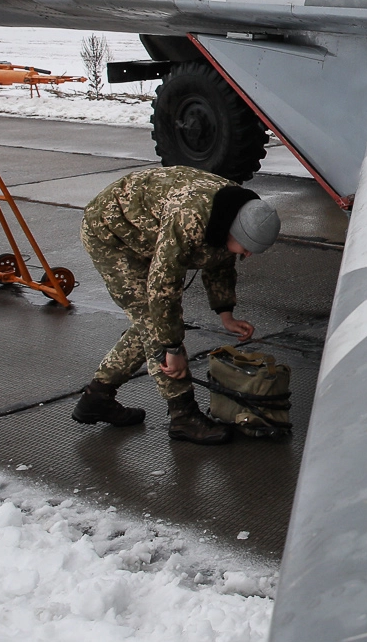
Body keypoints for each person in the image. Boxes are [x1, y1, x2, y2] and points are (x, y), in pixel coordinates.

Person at [70, 165, 281, 444]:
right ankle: (183, 416)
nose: (249, 255)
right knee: (153, 320)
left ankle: (97, 397)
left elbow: (220, 258)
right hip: (111, 232)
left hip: (148, 229)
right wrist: (172, 350)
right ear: (234, 231)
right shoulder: (191, 219)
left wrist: (225, 311)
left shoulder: (233, 213)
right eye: (247, 247)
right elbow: (162, 289)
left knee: (151, 325)